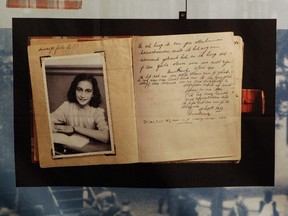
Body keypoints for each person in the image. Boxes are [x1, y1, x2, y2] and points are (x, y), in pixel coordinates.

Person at [50, 73, 109, 144]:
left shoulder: (97, 111)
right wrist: (53, 128)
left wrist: (74, 128)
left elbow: (105, 137)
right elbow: (46, 121)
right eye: (79, 90)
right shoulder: (66, 106)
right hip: (70, 146)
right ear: (74, 90)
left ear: (93, 94)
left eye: (88, 91)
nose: (82, 95)